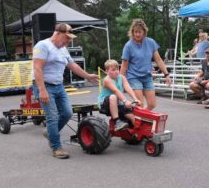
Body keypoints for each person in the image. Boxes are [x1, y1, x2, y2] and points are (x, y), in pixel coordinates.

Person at [32, 23, 99, 159]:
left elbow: (72, 65)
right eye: (66, 37)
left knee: (67, 113)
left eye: (69, 38)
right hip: (45, 85)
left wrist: (87, 76)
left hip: (58, 85)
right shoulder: (42, 46)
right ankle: (56, 148)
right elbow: (37, 69)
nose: (68, 40)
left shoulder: (63, 49)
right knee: (52, 117)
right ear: (57, 33)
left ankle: (51, 132)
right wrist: (42, 90)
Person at [120, 19, 171, 110]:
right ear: (132, 32)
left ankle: (138, 118)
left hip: (147, 76)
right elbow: (124, 66)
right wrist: (121, 82)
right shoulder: (128, 46)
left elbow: (159, 60)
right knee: (140, 104)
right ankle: (139, 122)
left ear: (144, 32)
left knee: (152, 104)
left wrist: (166, 74)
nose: (137, 34)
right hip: (133, 77)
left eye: (140, 32)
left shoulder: (150, 42)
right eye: (135, 32)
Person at [98, 59, 140, 131]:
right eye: (113, 70)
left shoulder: (122, 77)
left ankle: (137, 134)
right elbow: (116, 91)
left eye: (117, 69)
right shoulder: (107, 80)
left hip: (118, 102)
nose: (116, 71)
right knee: (113, 97)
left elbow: (128, 88)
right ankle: (117, 122)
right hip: (105, 104)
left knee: (132, 116)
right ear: (106, 71)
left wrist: (135, 99)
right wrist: (125, 101)